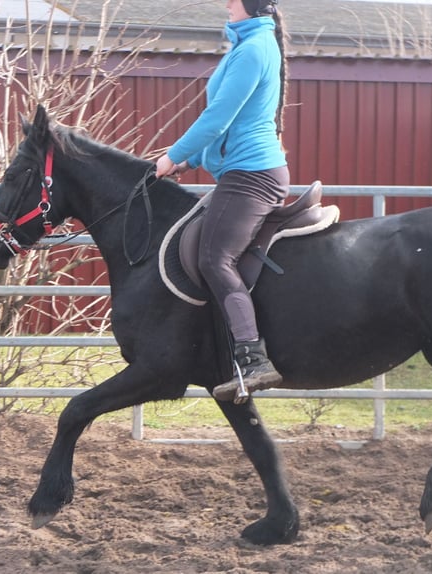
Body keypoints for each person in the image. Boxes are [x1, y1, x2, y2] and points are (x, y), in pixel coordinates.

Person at [155, 0, 289, 402]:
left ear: (248, 5)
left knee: (215, 258)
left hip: (252, 175)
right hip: (239, 170)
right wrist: (191, 160)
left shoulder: (253, 49)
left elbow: (218, 118)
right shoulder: (245, 45)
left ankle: (252, 359)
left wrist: (174, 155)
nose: (225, 2)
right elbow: (232, 124)